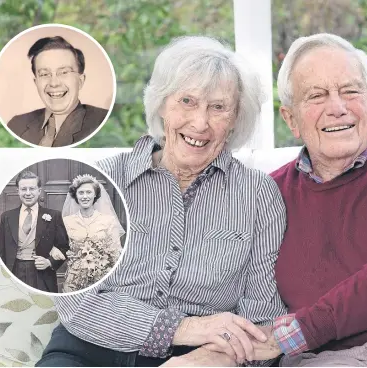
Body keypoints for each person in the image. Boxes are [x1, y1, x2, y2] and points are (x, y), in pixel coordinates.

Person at [36, 36, 288, 367]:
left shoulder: (259, 196)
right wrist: (180, 328)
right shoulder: (98, 183)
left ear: (236, 118)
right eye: (187, 101)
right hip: (88, 348)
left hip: (200, 357)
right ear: (161, 103)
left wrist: (201, 359)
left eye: (218, 107)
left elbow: (262, 319)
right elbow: (77, 302)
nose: (200, 122)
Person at [250, 33, 367, 366]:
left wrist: (299, 330)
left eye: (350, 91)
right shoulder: (265, 195)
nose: (337, 108)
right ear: (290, 119)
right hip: (320, 359)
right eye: (316, 95)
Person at [7, 36, 109, 147]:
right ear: (36, 82)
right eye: (45, 74)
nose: (54, 83)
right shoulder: (16, 125)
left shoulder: (102, 122)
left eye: (64, 72)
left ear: (80, 81)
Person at [0, 170, 69, 293]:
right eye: (23, 189)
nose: (28, 193)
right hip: (14, 272)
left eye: (32, 189)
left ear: (39, 191)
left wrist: (49, 262)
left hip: (42, 275)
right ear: (18, 191)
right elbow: (1, 251)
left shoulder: (54, 215)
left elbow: (64, 247)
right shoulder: (7, 216)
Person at [60, 174, 124, 292]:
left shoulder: (108, 220)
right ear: (75, 195)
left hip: (102, 277)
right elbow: (61, 248)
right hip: (74, 279)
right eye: (81, 192)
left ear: (95, 194)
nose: (85, 196)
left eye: (89, 192)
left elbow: (116, 251)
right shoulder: (67, 221)